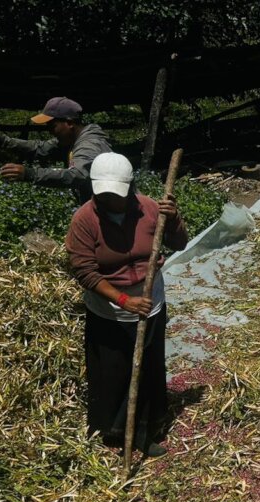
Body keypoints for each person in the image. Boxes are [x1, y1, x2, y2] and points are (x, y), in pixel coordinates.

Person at [64, 152, 188, 457]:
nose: (110, 200)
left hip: (149, 300)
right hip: (109, 308)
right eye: (103, 195)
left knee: (148, 367)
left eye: (116, 195)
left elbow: (180, 243)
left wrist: (173, 218)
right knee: (113, 371)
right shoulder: (84, 220)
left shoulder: (150, 209)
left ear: (130, 187)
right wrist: (123, 300)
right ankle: (112, 432)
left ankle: (145, 430)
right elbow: (85, 272)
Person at [0, 97, 112, 203]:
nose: (50, 131)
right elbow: (40, 148)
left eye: (52, 126)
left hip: (111, 212)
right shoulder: (70, 140)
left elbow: (77, 175)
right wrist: (3, 141)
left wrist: (30, 173)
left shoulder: (90, 144)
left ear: (69, 123)